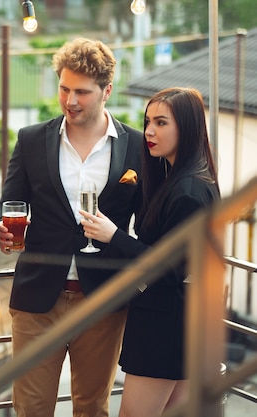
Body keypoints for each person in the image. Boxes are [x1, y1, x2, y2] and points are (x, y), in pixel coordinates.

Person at [0, 37, 143, 417]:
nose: (70, 100)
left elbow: (148, 227)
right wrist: (3, 227)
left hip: (103, 300)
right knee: (30, 407)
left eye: (82, 92)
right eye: (64, 88)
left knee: (92, 408)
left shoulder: (137, 147)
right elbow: (9, 203)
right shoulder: (30, 140)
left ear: (107, 90)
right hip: (36, 300)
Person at [80, 87, 220, 417]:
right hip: (176, 321)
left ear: (186, 128)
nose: (149, 132)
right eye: (147, 122)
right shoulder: (178, 179)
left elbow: (167, 268)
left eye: (161, 123)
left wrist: (113, 235)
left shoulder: (188, 191)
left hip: (165, 326)